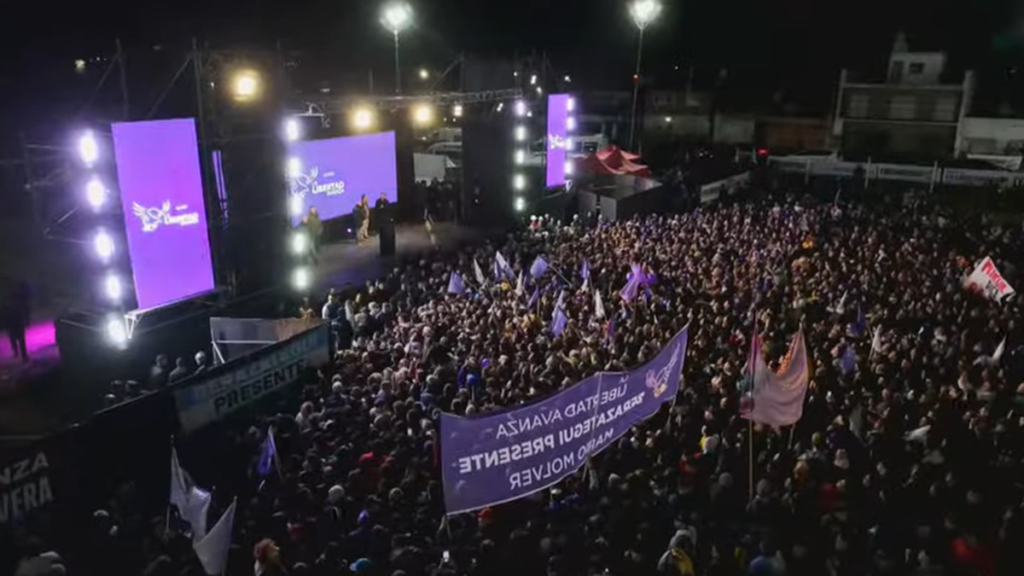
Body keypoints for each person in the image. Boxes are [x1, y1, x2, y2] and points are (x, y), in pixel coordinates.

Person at [2, 277, 30, 363]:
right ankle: (21, 354)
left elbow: (24, 308)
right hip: (15, 320)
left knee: (15, 338)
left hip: (14, 320)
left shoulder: (11, 296)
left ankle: (20, 354)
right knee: (18, 338)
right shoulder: (15, 296)